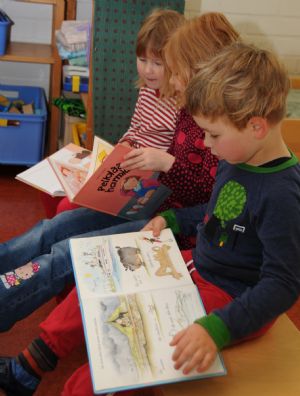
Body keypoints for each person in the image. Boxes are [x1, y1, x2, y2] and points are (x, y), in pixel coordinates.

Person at [2, 41, 300, 396]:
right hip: (193, 265)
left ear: (256, 127)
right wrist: (174, 220)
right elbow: (216, 214)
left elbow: (283, 284)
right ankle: (27, 369)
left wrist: (217, 329)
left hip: (230, 300)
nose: (205, 143)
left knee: (120, 353)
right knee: (96, 275)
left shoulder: (283, 194)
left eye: (213, 134)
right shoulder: (237, 156)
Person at [0, 12, 239, 332]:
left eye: (173, 69)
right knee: (55, 228)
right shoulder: (188, 107)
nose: (169, 80)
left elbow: (209, 198)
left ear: (199, 71)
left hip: (167, 224)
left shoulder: (219, 128)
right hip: (148, 203)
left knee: (65, 254)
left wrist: (165, 165)